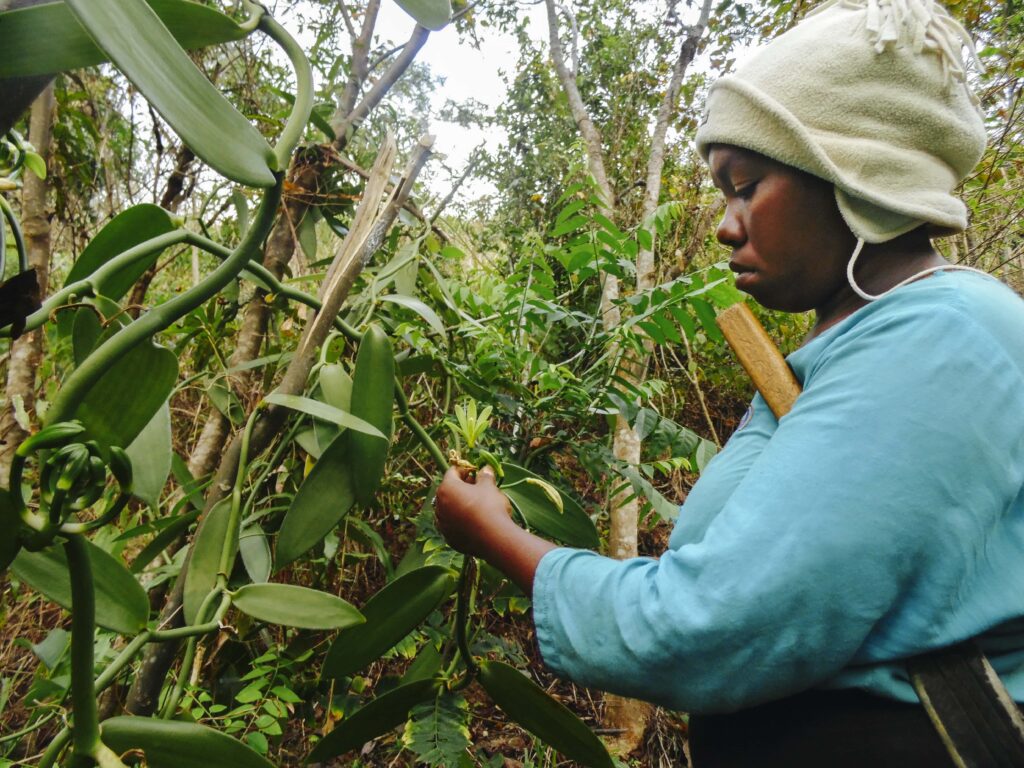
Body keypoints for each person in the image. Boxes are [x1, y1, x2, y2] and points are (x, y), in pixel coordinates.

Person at [435, 0, 1024, 764]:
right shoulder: (842, 346)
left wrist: (497, 538)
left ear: (853, 173)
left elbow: (706, 624)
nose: (723, 223)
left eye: (745, 185)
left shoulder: (941, 340)